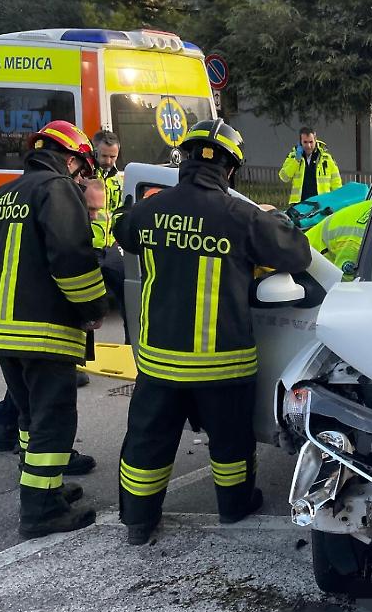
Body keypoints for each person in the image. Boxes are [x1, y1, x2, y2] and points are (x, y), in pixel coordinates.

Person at [112, 119, 312, 545]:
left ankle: (138, 522)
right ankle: (234, 507)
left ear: (183, 160)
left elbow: (122, 230)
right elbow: (297, 252)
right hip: (223, 364)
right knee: (231, 444)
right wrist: (275, 219)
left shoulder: (150, 211)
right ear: (231, 169)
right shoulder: (243, 217)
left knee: (148, 441)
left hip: (159, 362)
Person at [0, 121, 108, 538]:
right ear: (71, 159)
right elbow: (71, 256)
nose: (82, 178)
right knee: (53, 419)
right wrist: (92, 307)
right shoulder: (57, 190)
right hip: (45, 329)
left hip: (2, 328)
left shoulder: (1, 196)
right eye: (83, 170)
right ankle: (41, 512)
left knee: (30, 415)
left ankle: (44, 488)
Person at [91, 129, 131, 345]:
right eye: (104, 155)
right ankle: (78, 363)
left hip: (113, 247)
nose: (108, 161)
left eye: (113, 156)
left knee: (130, 297)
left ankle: (131, 351)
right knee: (84, 305)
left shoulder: (119, 179)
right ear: (94, 151)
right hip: (88, 247)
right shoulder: (85, 176)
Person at [278, 126, 342, 206]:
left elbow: (336, 182)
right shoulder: (293, 156)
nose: (308, 146)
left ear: (315, 140)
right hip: (299, 203)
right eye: (305, 142)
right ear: (300, 142)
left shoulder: (326, 158)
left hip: (322, 203)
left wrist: (338, 201)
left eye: (311, 142)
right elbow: (284, 177)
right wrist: (296, 161)